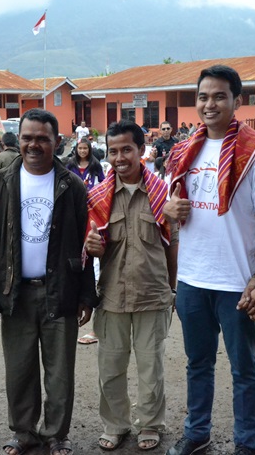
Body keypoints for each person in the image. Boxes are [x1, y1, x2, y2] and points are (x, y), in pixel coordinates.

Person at [162, 65, 255, 455]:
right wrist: (170, 207)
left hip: (236, 282)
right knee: (198, 364)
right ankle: (198, 433)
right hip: (193, 279)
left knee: (243, 369)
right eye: (202, 96)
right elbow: (170, 206)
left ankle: (246, 444)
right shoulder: (184, 149)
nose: (209, 104)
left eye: (218, 96)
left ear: (236, 101)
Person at [0, 109, 98, 455]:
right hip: (16, 292)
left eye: (42, 138)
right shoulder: (0, 181)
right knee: (19, 370)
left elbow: (85, 242)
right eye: (27, 137)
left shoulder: (72, 185)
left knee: (59, 372)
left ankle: (56, 435)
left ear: (56, 142)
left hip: (59, 291)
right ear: (18, 140)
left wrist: (85, 294)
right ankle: (23, 432)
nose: (34, 144)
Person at [84, 120, 178, 451]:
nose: (120, 157)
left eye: (127, 149)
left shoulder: (163, 195)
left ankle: (150, 424)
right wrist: (90, 246)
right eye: (113, 151)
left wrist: (173, 288)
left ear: (141, 150)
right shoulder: (96, 197)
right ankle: (115, 423)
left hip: (152, 295)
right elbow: (87, 244)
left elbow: (173, 244)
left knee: (151, 369)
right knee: (110, 368)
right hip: (111, 296)